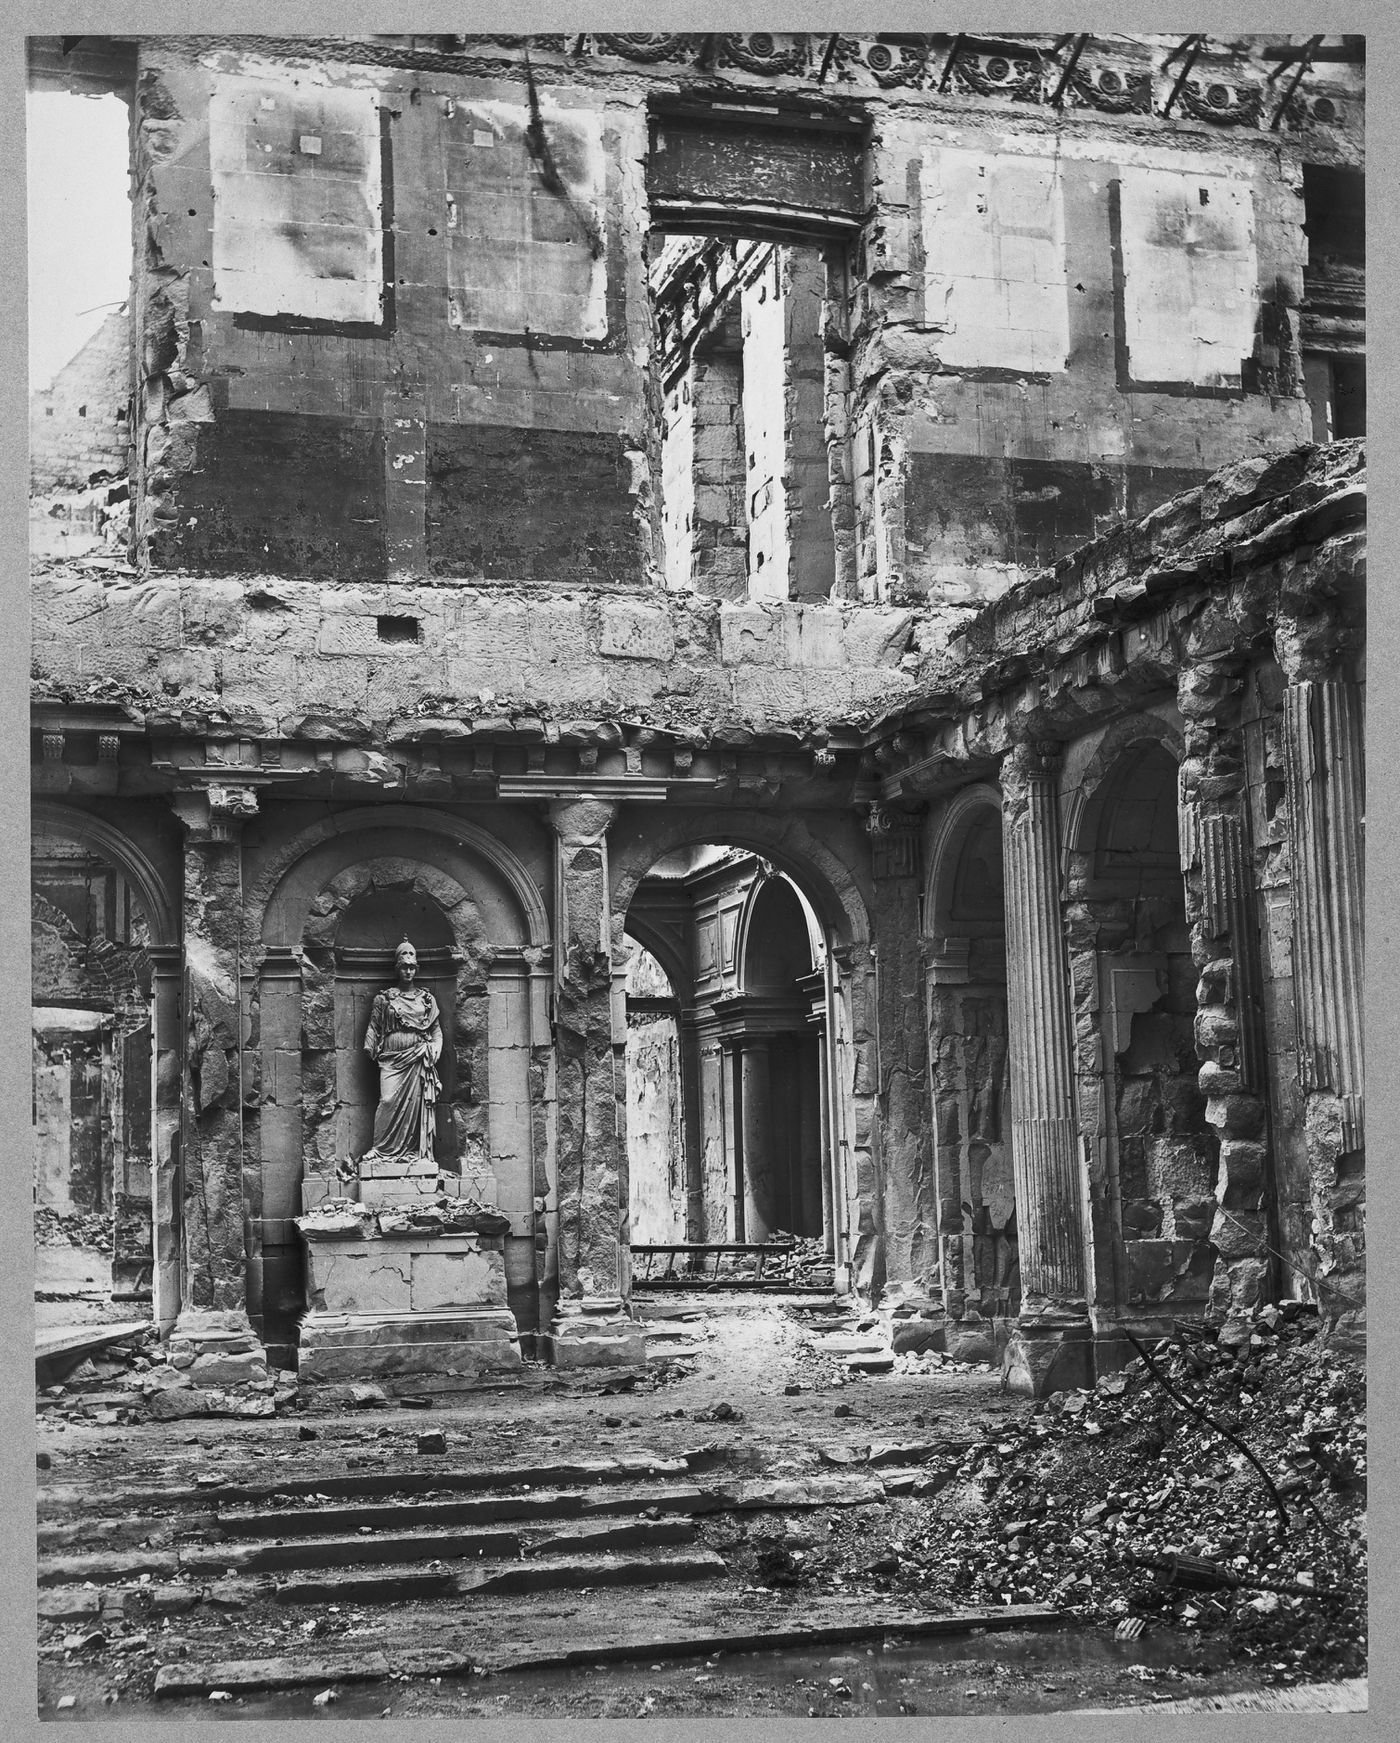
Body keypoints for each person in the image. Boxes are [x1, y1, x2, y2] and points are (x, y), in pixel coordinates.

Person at [360, 938, 443, 1167]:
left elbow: (436, 1030)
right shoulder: (384, 998)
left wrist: (435, 1048)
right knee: (387, 1100)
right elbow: (374, 1027)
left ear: (416, 969)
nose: (408, 971)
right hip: (391, 1061)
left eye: (412, 967)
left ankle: (413, 1152)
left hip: (418, 1057)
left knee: (414, 1107)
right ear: (398, 968)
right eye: (404, 966)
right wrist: (369, 1046)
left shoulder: (426, 1000)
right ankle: (380, 1150)